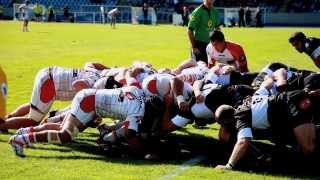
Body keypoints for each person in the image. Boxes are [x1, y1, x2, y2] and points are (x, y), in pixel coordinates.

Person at [8, 86, 148, 157]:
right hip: (89, 102)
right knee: (65, 135)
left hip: (92, 100)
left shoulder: (140, 91)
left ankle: (25, 131)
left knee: (62, 128)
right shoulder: (138, 112)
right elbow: (130, 135)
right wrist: (143, 153)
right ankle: (20, 139)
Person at [215, 76, 317, 170]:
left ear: (227, 122)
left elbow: (243, 142)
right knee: (309, 143)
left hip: (292, 103)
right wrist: (270, 77)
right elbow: (267, 84)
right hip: (295, 96)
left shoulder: (241, 117)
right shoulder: (250, 99)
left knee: (308, 149)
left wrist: (229, 165)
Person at [0, 63, 106, 131]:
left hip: (48, 73)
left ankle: (7, 118)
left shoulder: (96, 71)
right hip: (50, 83)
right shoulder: (98, 81)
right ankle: (2, 125)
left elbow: (90, 63)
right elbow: (78, 84)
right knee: (33, 121)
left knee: (34, 105)